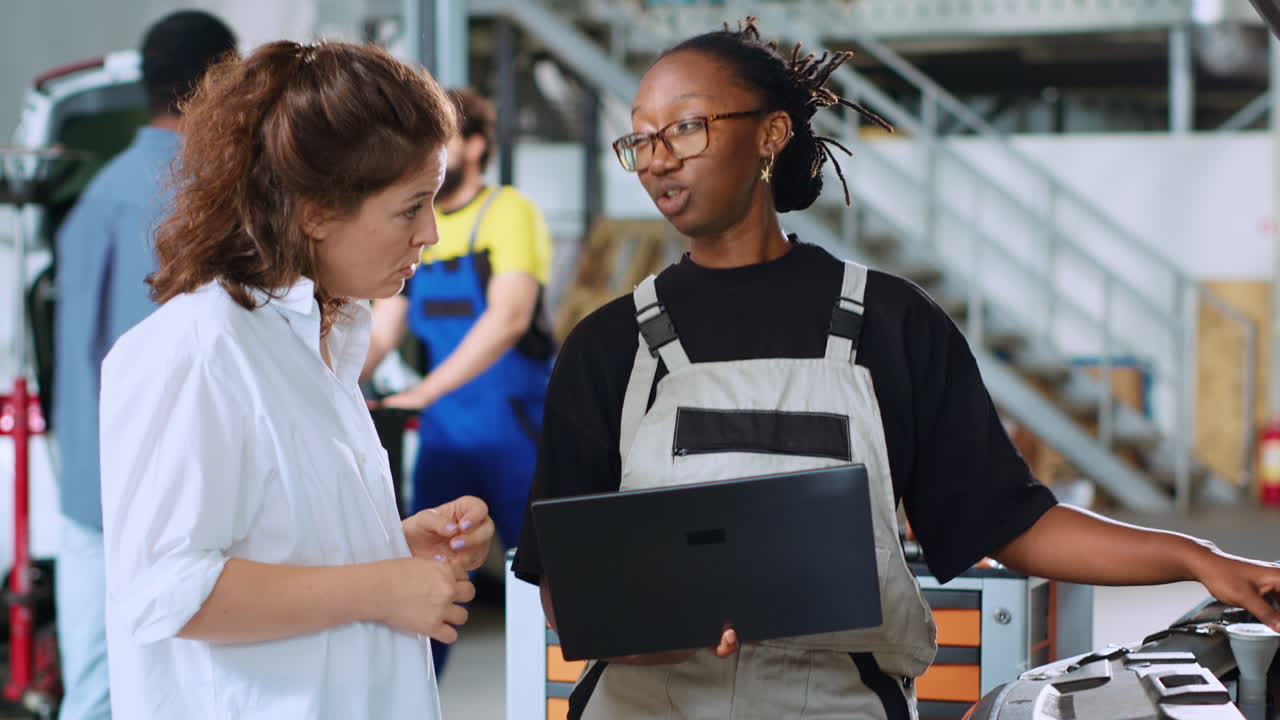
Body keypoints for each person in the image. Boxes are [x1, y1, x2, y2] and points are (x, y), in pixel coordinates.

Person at [511, 18, 1280, 719]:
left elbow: (1011, 522)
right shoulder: (609, 345)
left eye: (685, 128)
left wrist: (1196, 559)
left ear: (772, 134)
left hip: (836, 701)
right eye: (640, 140)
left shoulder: (891, 323)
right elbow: (564, 579)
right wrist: (643, 634)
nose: (657, 160)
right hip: (649, 701)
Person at [98, 41, 494, 719]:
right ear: (313, 211)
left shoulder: (322, 340)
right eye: (410, 207)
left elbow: (272, 545)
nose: (429, 232)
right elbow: (166, 590)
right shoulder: (197, 351)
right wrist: (377, 587)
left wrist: (394, 548)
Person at [50, 11, 236, 719]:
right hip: (181, 500)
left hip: (89, 489)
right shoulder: (213, 202)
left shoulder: (97, 197)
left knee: (95, 688)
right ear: (220, 83)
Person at [364, 87, 554, 671]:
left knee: (549, 593)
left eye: (438, 137)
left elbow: (508, 317)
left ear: (473, 145)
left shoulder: (508, 212)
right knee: (432, 591)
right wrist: (323, 382)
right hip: (447, 442)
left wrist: (424, 391)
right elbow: (383, 326)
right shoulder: (419, 225)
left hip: (518, 438)